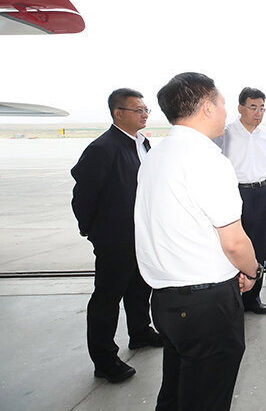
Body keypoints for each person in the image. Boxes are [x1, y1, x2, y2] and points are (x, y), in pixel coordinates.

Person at [135, 72, 262, 411]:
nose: (225, 111)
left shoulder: (155, 155)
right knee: (206, 398)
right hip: (205, 305)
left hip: (166, 300)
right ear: (207, 107)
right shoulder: (208, 160)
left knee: (176, 392)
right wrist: (253, 271)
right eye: (222, 103)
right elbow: (234, 242)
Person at [71, 88, 161, 384]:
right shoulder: (103, 148)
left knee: (139, 287)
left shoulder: (142, 143)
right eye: (138, 110)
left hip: (141, 234)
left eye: (146, 110)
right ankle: (105, 359)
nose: (144, 115)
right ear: (118, 113)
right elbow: (83, 196)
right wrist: (92, 230)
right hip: (114, 238)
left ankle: (140, 332)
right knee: (107, 299)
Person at [218, 87, 266, 312]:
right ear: (240, 108)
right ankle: (233, 300)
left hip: (262, 191)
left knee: (258, 245)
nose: (258, 113)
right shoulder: (226, 133)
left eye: (261, 108)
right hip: (235, 192)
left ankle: (253, 298)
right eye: (253, 107)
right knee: (233, 244)